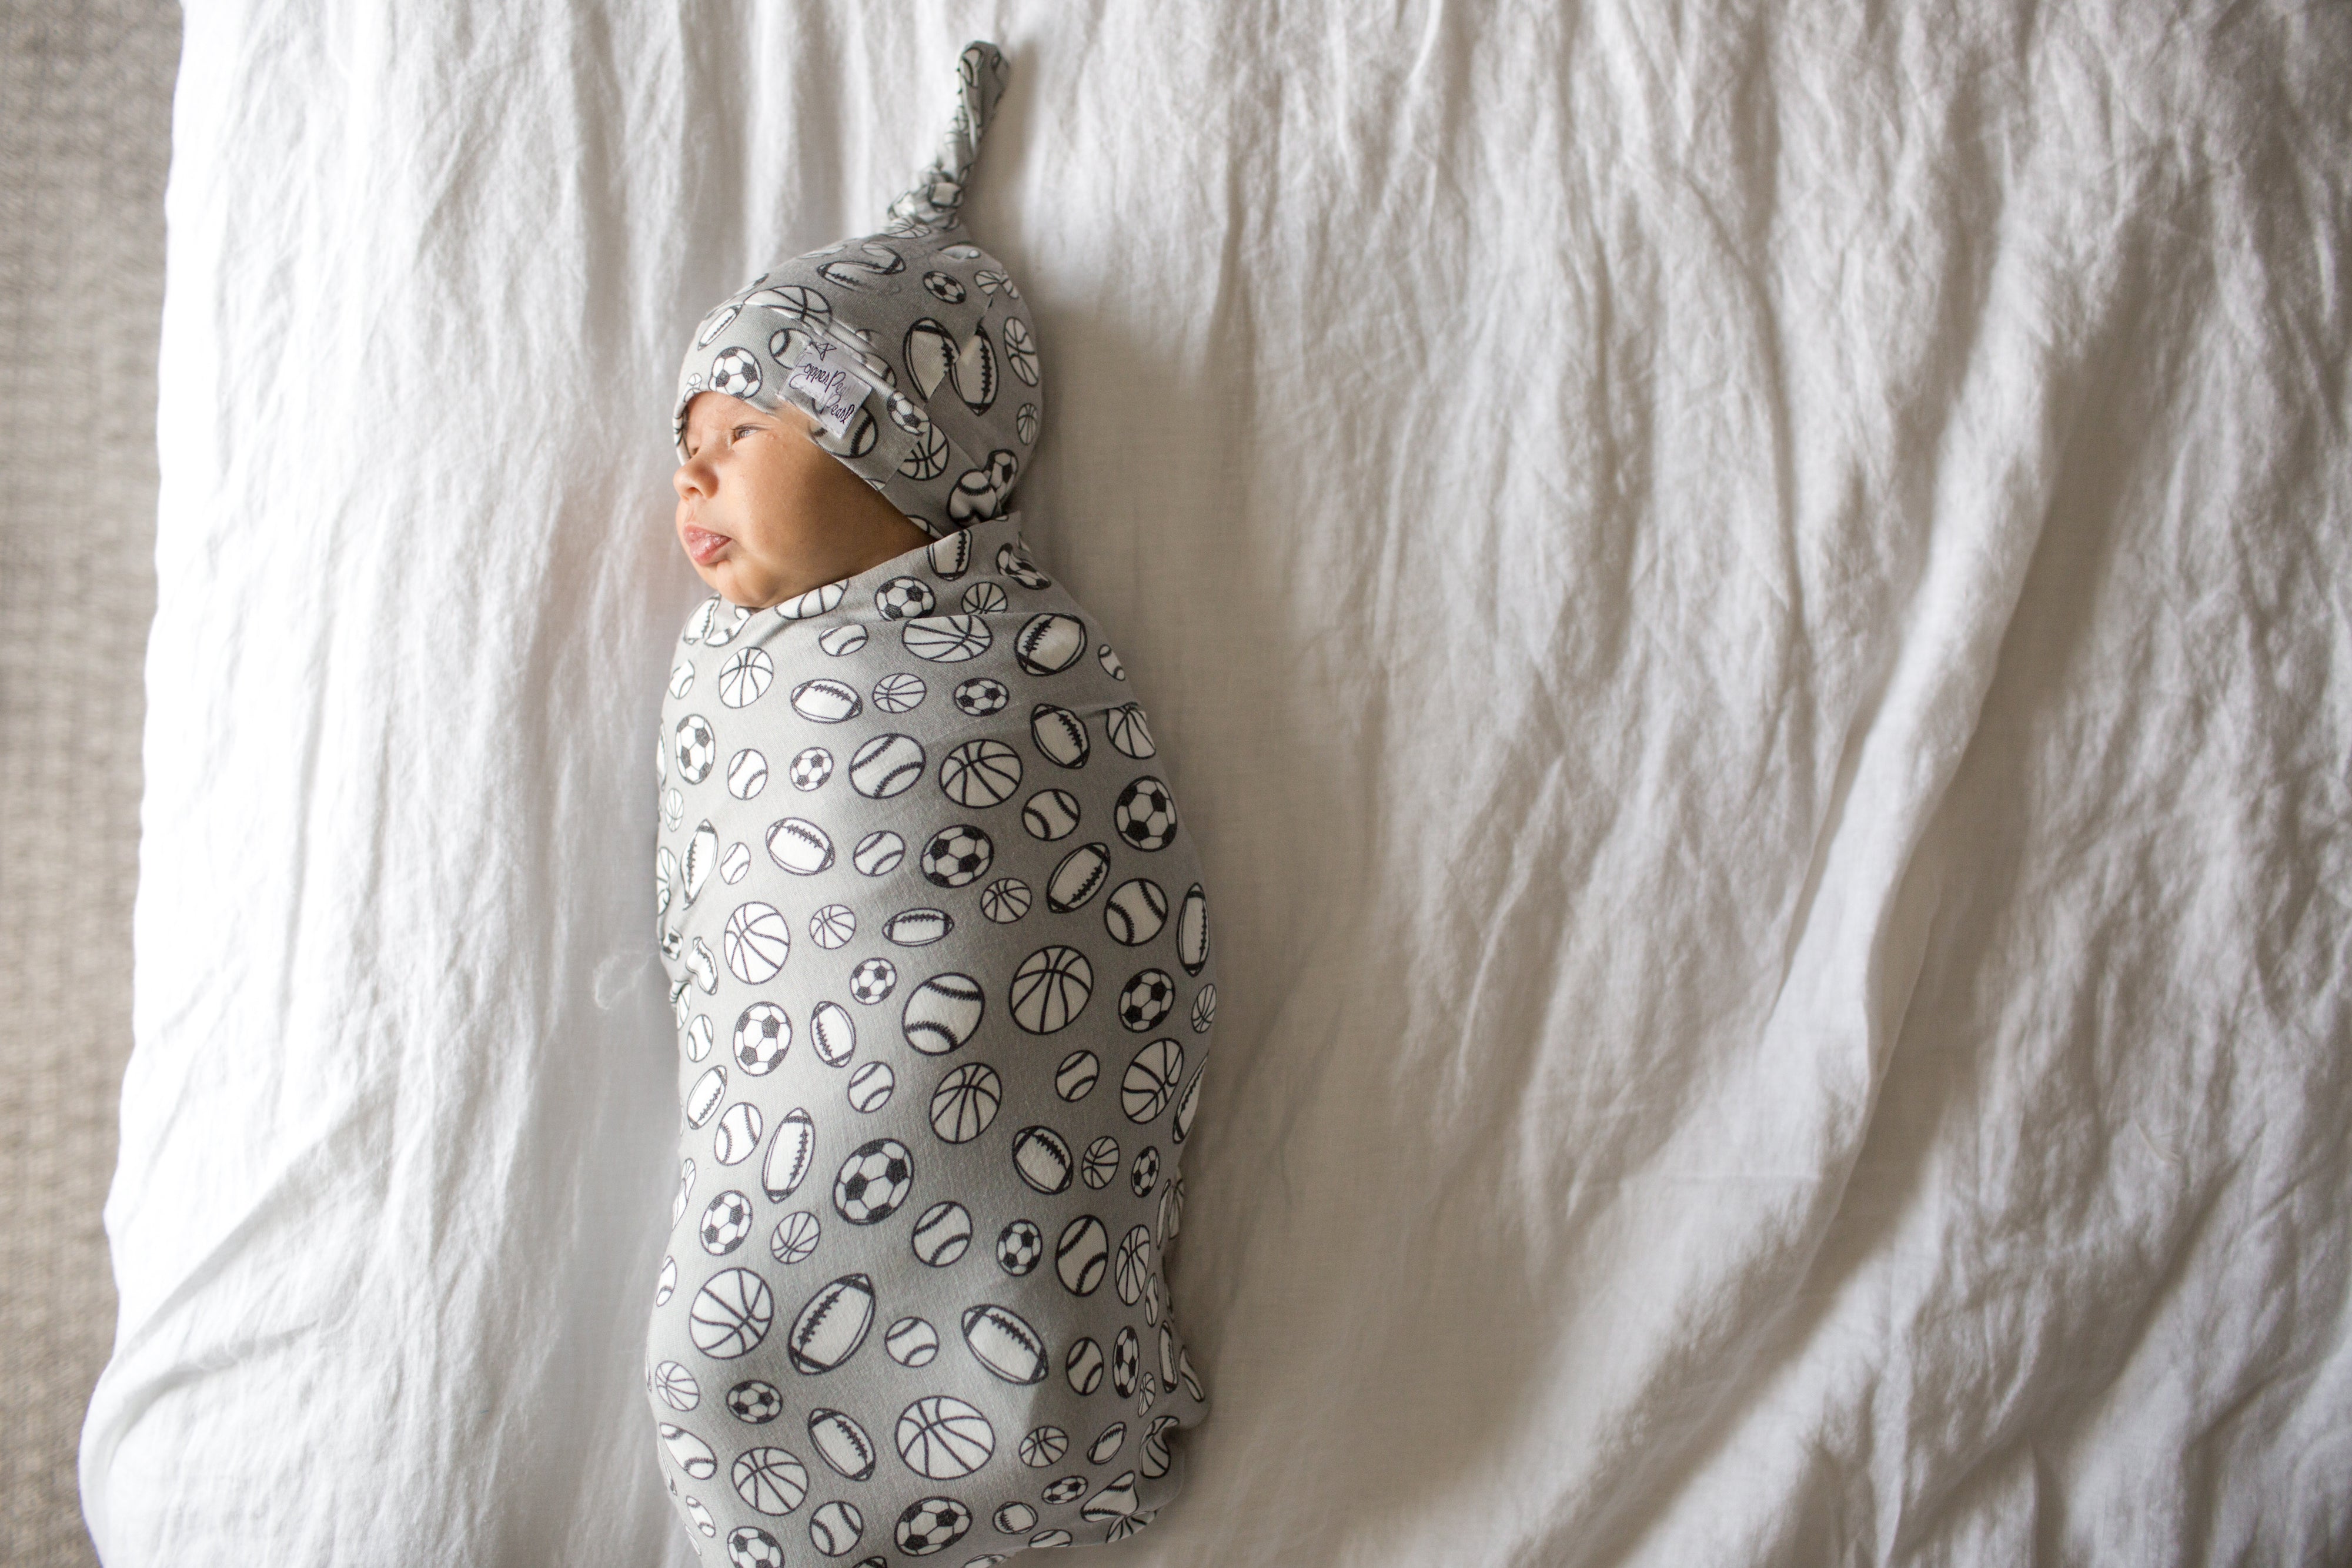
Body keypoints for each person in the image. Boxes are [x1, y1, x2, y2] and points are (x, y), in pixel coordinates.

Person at [642, 42, 1217, 1568]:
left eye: (741, 435)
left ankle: (1062, 1403)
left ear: (891, 445)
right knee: (724, 1348)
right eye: (686, 450)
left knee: (976, 1217)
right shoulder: (734, 668)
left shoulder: (1014, 659)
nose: (693, 478)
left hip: (970, 1096)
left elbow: (1089, 873)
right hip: (785, 1131)